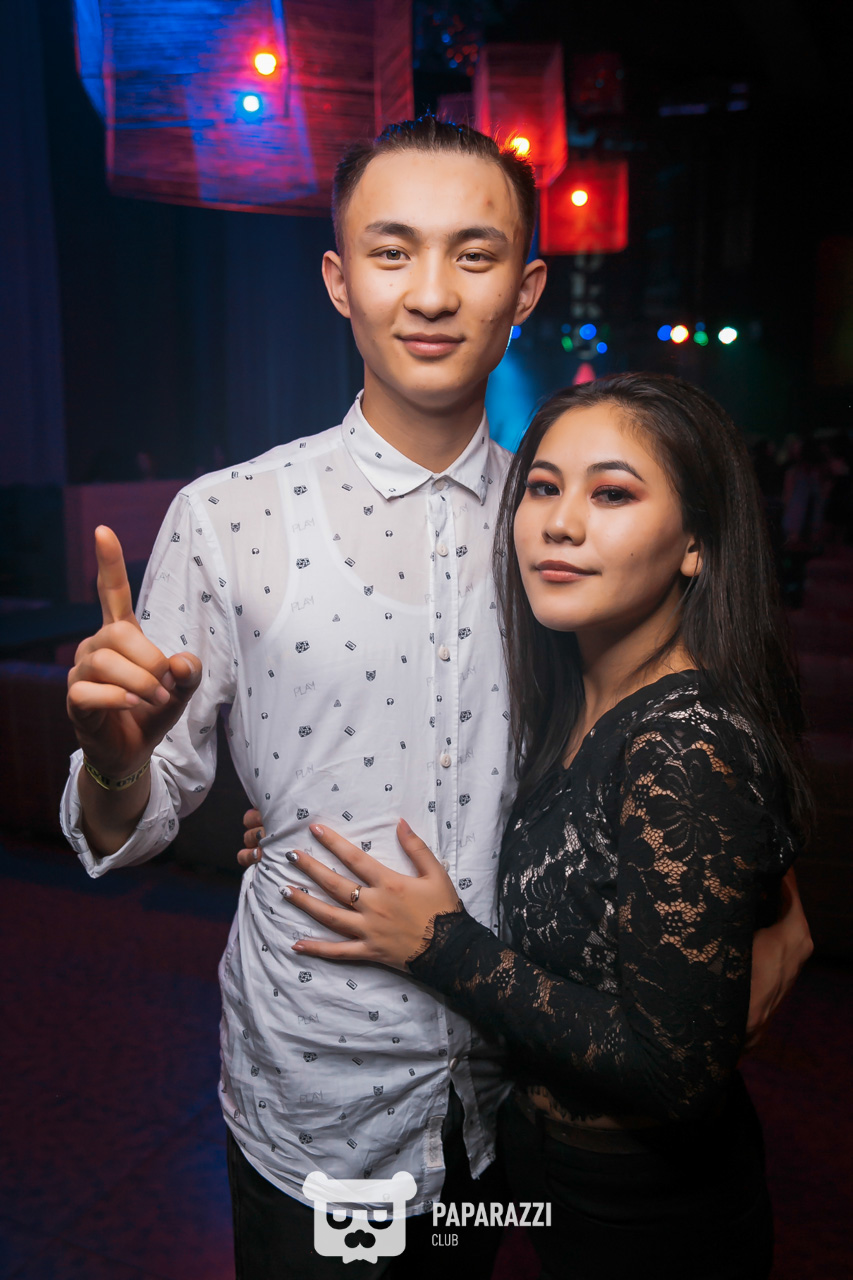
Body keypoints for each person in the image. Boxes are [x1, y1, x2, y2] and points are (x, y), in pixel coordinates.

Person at [62, 116, 810, 1279]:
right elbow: (134, 818)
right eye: (391, 250)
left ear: (525, 289)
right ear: (338, 280)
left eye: (473, 253)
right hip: (319, 1104)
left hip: (513, 1104)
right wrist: (117, 760)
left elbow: (677, 713)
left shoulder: (559, 526)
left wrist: (780, 899)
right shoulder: (228, 516)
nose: (429, 292)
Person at [261, 373, 812, 1279]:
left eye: (612, 494)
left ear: (695, 545)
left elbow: (675, 1072)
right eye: (544, 488)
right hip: (537, 1166)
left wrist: (441, 946)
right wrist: (296, 820)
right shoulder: (572, 696)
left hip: (646, 1209)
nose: (560, 523)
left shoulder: (682, 743)